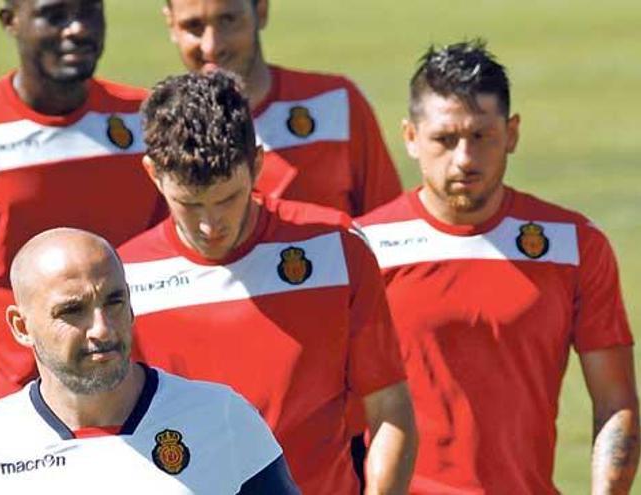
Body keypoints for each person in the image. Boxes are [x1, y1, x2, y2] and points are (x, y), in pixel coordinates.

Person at [356, 40, 640, 494]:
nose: (464, 159)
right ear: (411, 137)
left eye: (481, 136)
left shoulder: (573, 245)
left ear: (511, 133)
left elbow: (615, 401)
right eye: (445, 140)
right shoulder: (364, 249)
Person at [118, 71, 417, 495]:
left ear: (257, 163)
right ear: (152, 173)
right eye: (189, 203)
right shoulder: (126, 280)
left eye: (227, 198)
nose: (210, 224)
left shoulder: (334, 248)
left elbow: (390, 409)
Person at [0, 228, 300, 494]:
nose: (102, 329)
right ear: (20, 325)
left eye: (114, 302)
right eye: (72, 311)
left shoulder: (222, 419)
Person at [0, 0, 164, 399]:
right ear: (11, 20)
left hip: (140, 392)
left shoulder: (145, 121)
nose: (77, 29)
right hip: (17, 402)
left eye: (89, 11)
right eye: (55, 15)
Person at [161, 0, 402, 217]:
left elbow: (386, 228)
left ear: (261, 11)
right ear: (171, 24)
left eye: (228, 20)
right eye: (193, 26)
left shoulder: (335, 104)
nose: (212, 46)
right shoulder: (158, 128)